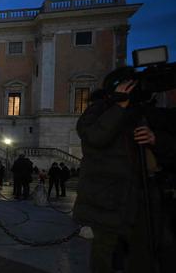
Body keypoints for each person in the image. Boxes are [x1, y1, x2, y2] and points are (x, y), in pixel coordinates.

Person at [73, 67, 174, 272]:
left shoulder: (144, 112)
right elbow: (94, 137)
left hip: (143, 195)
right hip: (107, 197)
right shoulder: (98, 110)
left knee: (145, 250)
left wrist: (155, 139)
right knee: (105, 254)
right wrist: (118, 106)